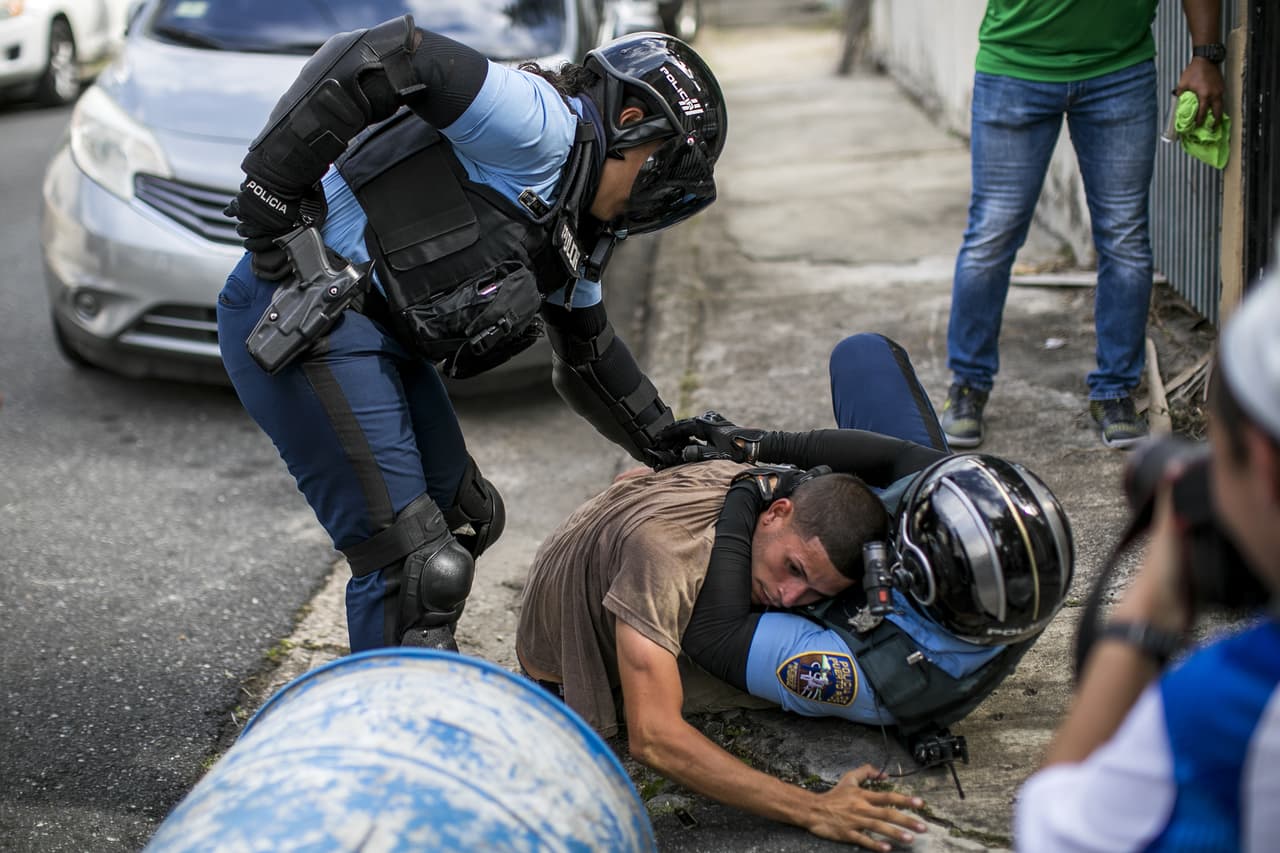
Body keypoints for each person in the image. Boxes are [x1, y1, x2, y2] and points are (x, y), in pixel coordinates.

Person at [216, 15, 726, 653]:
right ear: (629, 123)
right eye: (662, 168)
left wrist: (672, 445)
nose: (654, 199)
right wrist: (272, 188)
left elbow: (589, 355)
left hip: (378, 333)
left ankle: (425, 687)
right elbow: (384, 54)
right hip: (298, 313)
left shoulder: (577, 215)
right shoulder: (542, 125)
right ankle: (386, 739)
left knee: (466, 517)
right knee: (413, 565)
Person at [516, 333, 1075, 849]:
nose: (787, 597)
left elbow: (661, 725)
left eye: (811, 589)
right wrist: (757, 447)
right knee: (861, 361)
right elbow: (656, 736)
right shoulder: (1016, 548)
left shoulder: (857, 656)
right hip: (610, 595)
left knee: (645, 500)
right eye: (793, 568)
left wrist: (752, 473)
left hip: (895, 659)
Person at [1014, 263, 1280, 850]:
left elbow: (1051, 828)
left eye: (1218, 449)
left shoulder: (1232, 706)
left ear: (1263, 466)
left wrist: (1145, 616)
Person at [939, 0, 1226, 450]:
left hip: (1119, 70)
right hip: (1015, 68)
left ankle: (1113, 391)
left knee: (1125, 238)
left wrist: (1206, 54)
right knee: (992, 235)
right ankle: (968, 386)